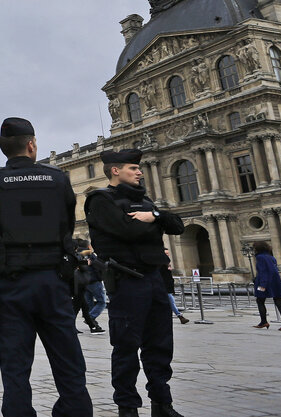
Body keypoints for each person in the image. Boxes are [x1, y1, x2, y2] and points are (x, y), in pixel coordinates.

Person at [0, 117, 92, 416]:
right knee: (69, 363)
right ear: (32, 144)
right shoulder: (59, 179)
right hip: (54, 281)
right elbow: (66, 223)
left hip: (12, 285)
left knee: (15, 369)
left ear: (3, 148)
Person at [84, 149, 185, 417]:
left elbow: (177, 225)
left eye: (139, 168)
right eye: (133, 168)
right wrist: (157, 223)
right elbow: (127, 230)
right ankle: (127, 407)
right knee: (126, 348)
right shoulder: (100, 200)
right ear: (115, 171)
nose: (140, 172)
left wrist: (156, 218)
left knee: (160, 346)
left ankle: (162, 404)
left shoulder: (147, 202)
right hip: (127, 280)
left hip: (155, 279)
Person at [252, 241, 281, 331]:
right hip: (276, 283)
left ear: (258, 249)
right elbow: (274, 270)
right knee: (279, 302)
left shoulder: (260, 257)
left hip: (264, 283)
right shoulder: (271, 257)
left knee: (260, 300)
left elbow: (264, 272)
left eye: (254, 248)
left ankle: (263, 321)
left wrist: (262, 285)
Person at [79, 245, 107, 333]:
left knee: (89, 304)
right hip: (94, 280)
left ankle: (93, 325)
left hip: (84, 281)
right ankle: (90, 318)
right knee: (102, 302)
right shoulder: (89, 253)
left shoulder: (78, 253)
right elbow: (99, 265)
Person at [162, 249, 189, 324]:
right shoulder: (162, 265)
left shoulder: (167, 264)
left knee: (170, 303)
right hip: (165, 288)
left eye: (168, 253)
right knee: (171, 302)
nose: (167, 255)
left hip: (167, 288)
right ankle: (180, 316)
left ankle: (179, 316)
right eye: (166, 253)